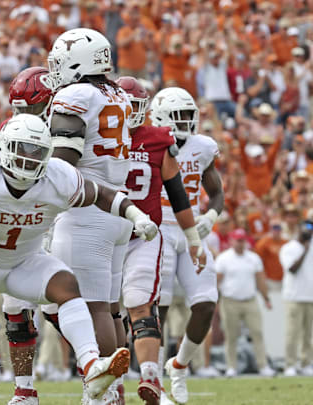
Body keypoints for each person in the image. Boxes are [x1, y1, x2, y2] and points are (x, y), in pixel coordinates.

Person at [0, 114, 158, 404]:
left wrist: (136, 214)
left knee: (66, 285)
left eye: (36, 151)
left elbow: (102, 194)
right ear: (5, 147)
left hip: (26, 260)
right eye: (23, 149)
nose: (29, 157)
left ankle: (91, 367)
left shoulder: (57, 177)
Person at [45, 27, 134, 403]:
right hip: (118, 209)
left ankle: (100, 389)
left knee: (82, 304)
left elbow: (65, 157)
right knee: (110, 309)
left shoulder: (75, 94)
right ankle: (113, 389)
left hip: (87, 208)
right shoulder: (117, 93)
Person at [118, 76, 204, 404]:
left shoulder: (155, 139)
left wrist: (194, 238)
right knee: (116, 309)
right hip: (110, 234)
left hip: (140, 234)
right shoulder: (98, 136)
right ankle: (112, 379)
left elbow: (177, 192)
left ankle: (149, 377)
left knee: (138, 307)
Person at [149, 87, 225, 405]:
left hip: (191, 231)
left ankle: (178, 366)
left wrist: (211, 215)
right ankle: (155, 385)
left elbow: (216, 193)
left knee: (206, 303)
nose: (186, 122)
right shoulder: (150, 144)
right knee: (159, 310)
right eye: (179, 115)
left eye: (188, 115)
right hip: (159, 231)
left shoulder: (203, 146)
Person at [0, 66, 57, 405]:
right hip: (20, 220)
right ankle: (24, 389)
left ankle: (95, 369)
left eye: (31, 107)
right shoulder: (12, 128)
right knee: (14, 306)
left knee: (59, 304)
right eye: (19, 107)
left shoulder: (64, 127)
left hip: (56, 218)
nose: (24, 114)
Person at [215, 229, 274, 377]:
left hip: (250, 300)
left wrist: (266, 298)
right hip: (230, 301)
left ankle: (263, 365)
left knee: (257, 333)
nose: (240, 243)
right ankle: (231, 366)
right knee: (231, 335)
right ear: (231, 241)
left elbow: (260, 279)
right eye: (237, 240)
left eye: (242, 240)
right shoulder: (224, 258)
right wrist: (214, 300)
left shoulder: (253, 258)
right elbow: (217, 281)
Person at [278, 218, 313, 377]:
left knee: (308, 334)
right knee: (293, 333)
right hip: (294, 296)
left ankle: (306, 363)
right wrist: (305, 251)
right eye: (305, 227)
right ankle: (290, 364)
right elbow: (292, 269)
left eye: (310, 227)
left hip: (310, 296)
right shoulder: (289, 248)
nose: (308, 230)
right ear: (298, 229)